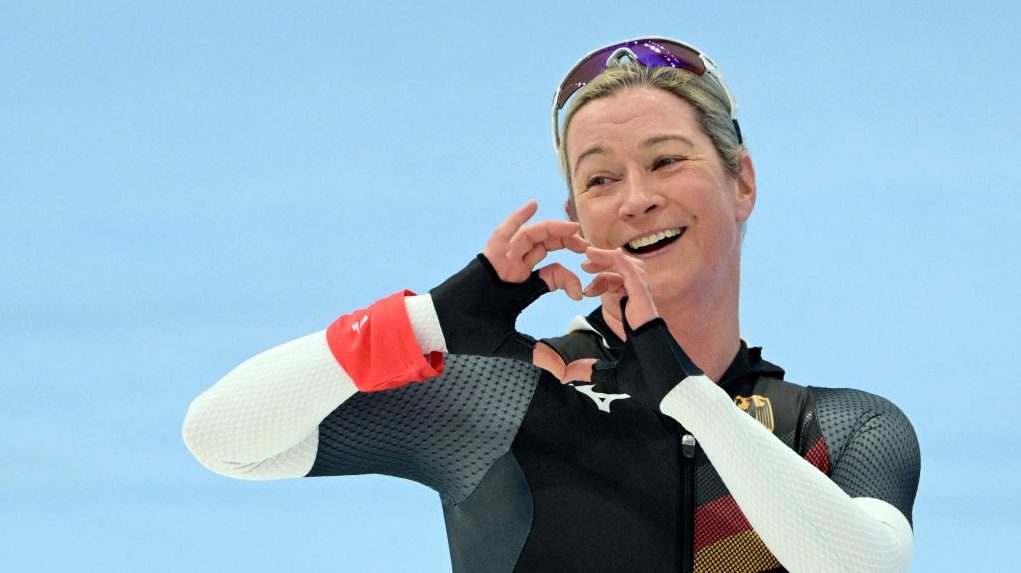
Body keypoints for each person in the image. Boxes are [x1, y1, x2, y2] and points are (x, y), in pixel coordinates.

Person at [183, 37, 920, 573]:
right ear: (577, 214)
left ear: (742, 183)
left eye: (666, 160)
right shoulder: (503, 396)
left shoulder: (841, 428)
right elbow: (222, 436)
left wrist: (688, 394)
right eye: (600, 180)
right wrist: (426, 320)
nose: (636, 199)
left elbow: (863, 568)